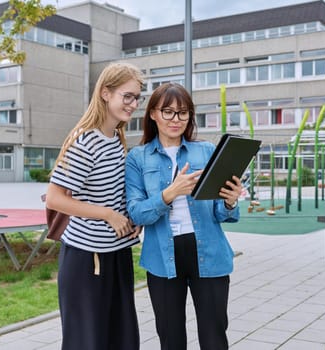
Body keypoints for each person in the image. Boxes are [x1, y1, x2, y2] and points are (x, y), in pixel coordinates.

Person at [125, 82, 243, 350]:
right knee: (171, 338)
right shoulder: (138, 158)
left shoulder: (206, 151)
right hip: (162, 258)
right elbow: (136, 212)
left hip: (209, 254)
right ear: (153, 113)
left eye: (183, 112)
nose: (175, 119)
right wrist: (169, 194)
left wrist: (230, 201)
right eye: (167, 112)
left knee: (214, 336)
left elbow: (220, 213)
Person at [45, 62, 144, 350]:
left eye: (137, 97)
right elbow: (56, 198)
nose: (134, 104)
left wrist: (127, 216)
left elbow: (108, 191)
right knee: (89, 343)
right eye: (127, 96)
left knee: (122, 340)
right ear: (105, 93)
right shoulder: (85, 141)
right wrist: (108, 215)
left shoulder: (116, 138)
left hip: (116, 254)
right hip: (87, 259)